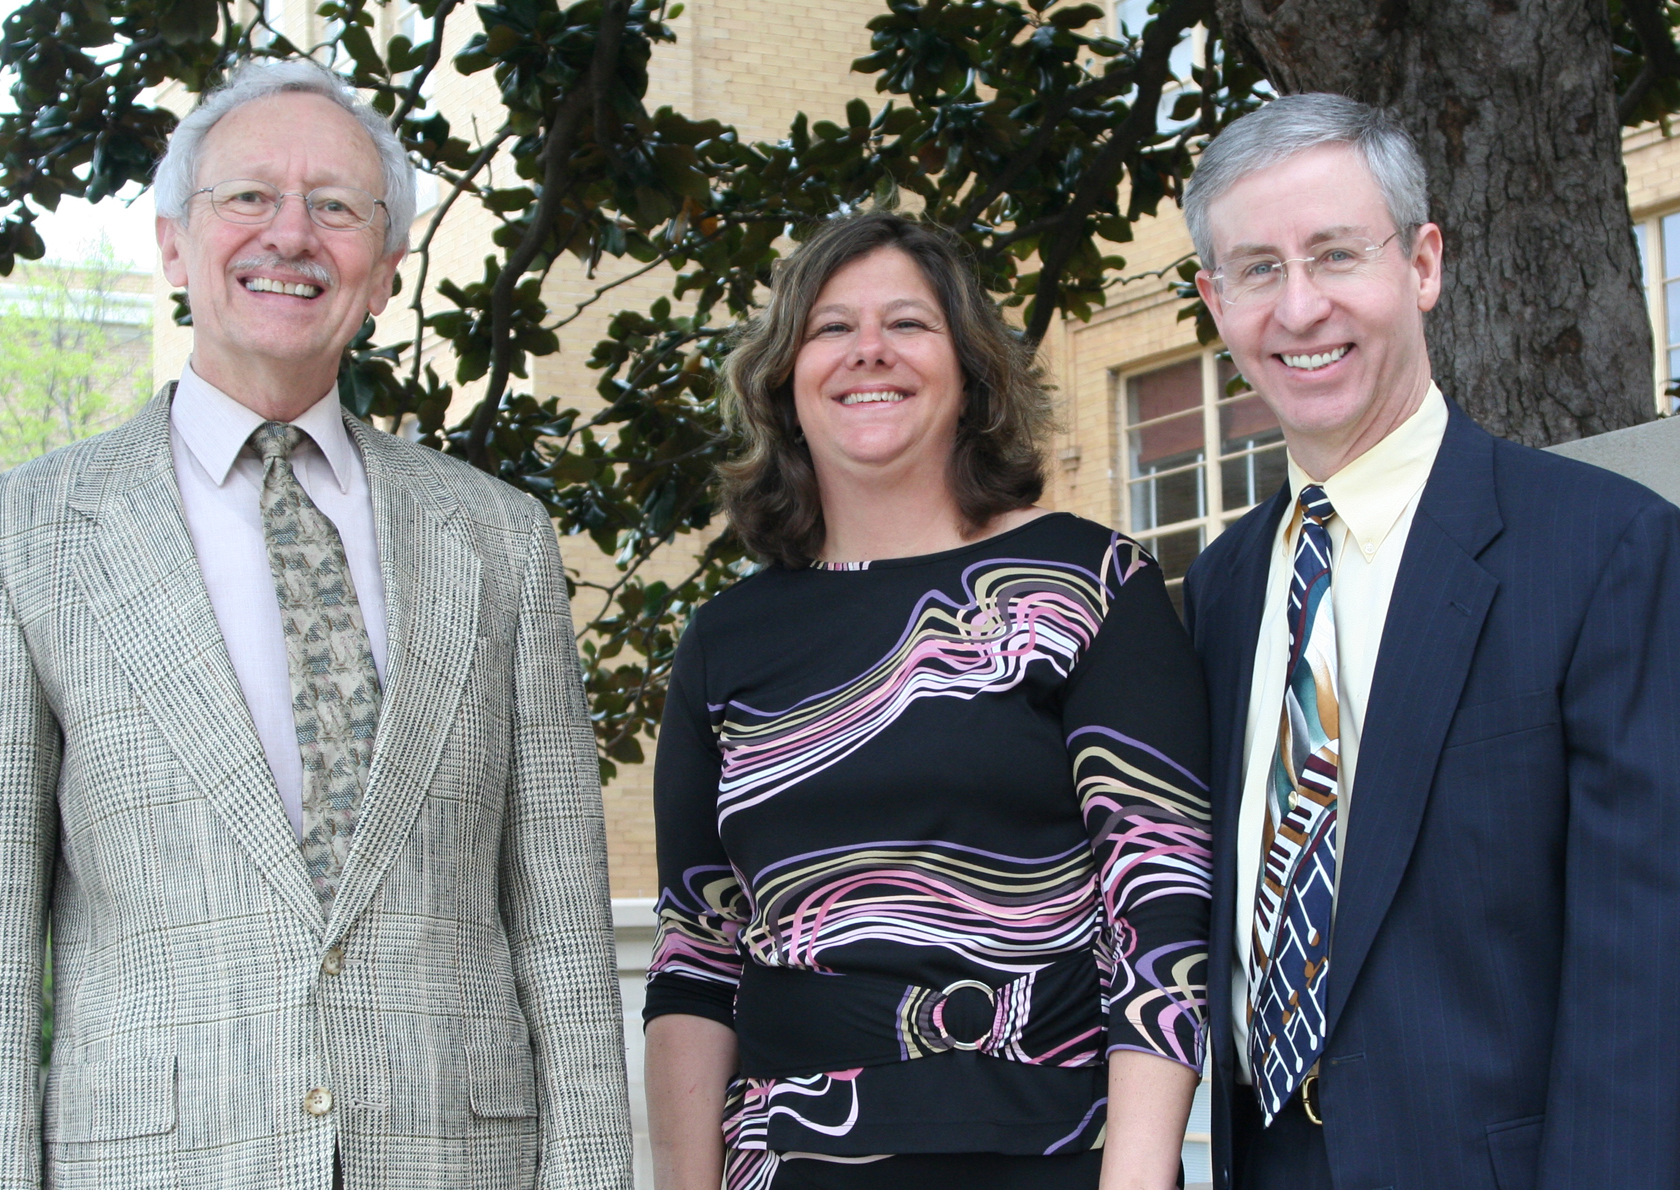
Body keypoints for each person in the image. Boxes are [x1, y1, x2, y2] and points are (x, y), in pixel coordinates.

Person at [0, 59, 632, 1189]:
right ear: (172, 244)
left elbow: (563, 932)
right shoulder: (31, 532)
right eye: (247, 197)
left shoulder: (497, 537)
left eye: (336, 207)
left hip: (456, 1159)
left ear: (385, 270)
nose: (291, 234)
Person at [642, 211, 1213, 1190]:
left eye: (908, 323)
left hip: (1045, 1149)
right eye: (831, 327)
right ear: (786, 379)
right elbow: (697, 947)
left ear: (971, 373)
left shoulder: (1085, 582)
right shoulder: (725, 639)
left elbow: (1158, 910)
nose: (869, 349)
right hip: (788, 1159)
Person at [1182, 93, 1680, 1190]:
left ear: (1422, 263)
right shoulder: (1218, 590)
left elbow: (1645, 969)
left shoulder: (1605, 550)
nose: (1301, 307)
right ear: (1217, 303)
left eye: (1335, 254)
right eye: (1259, 270)